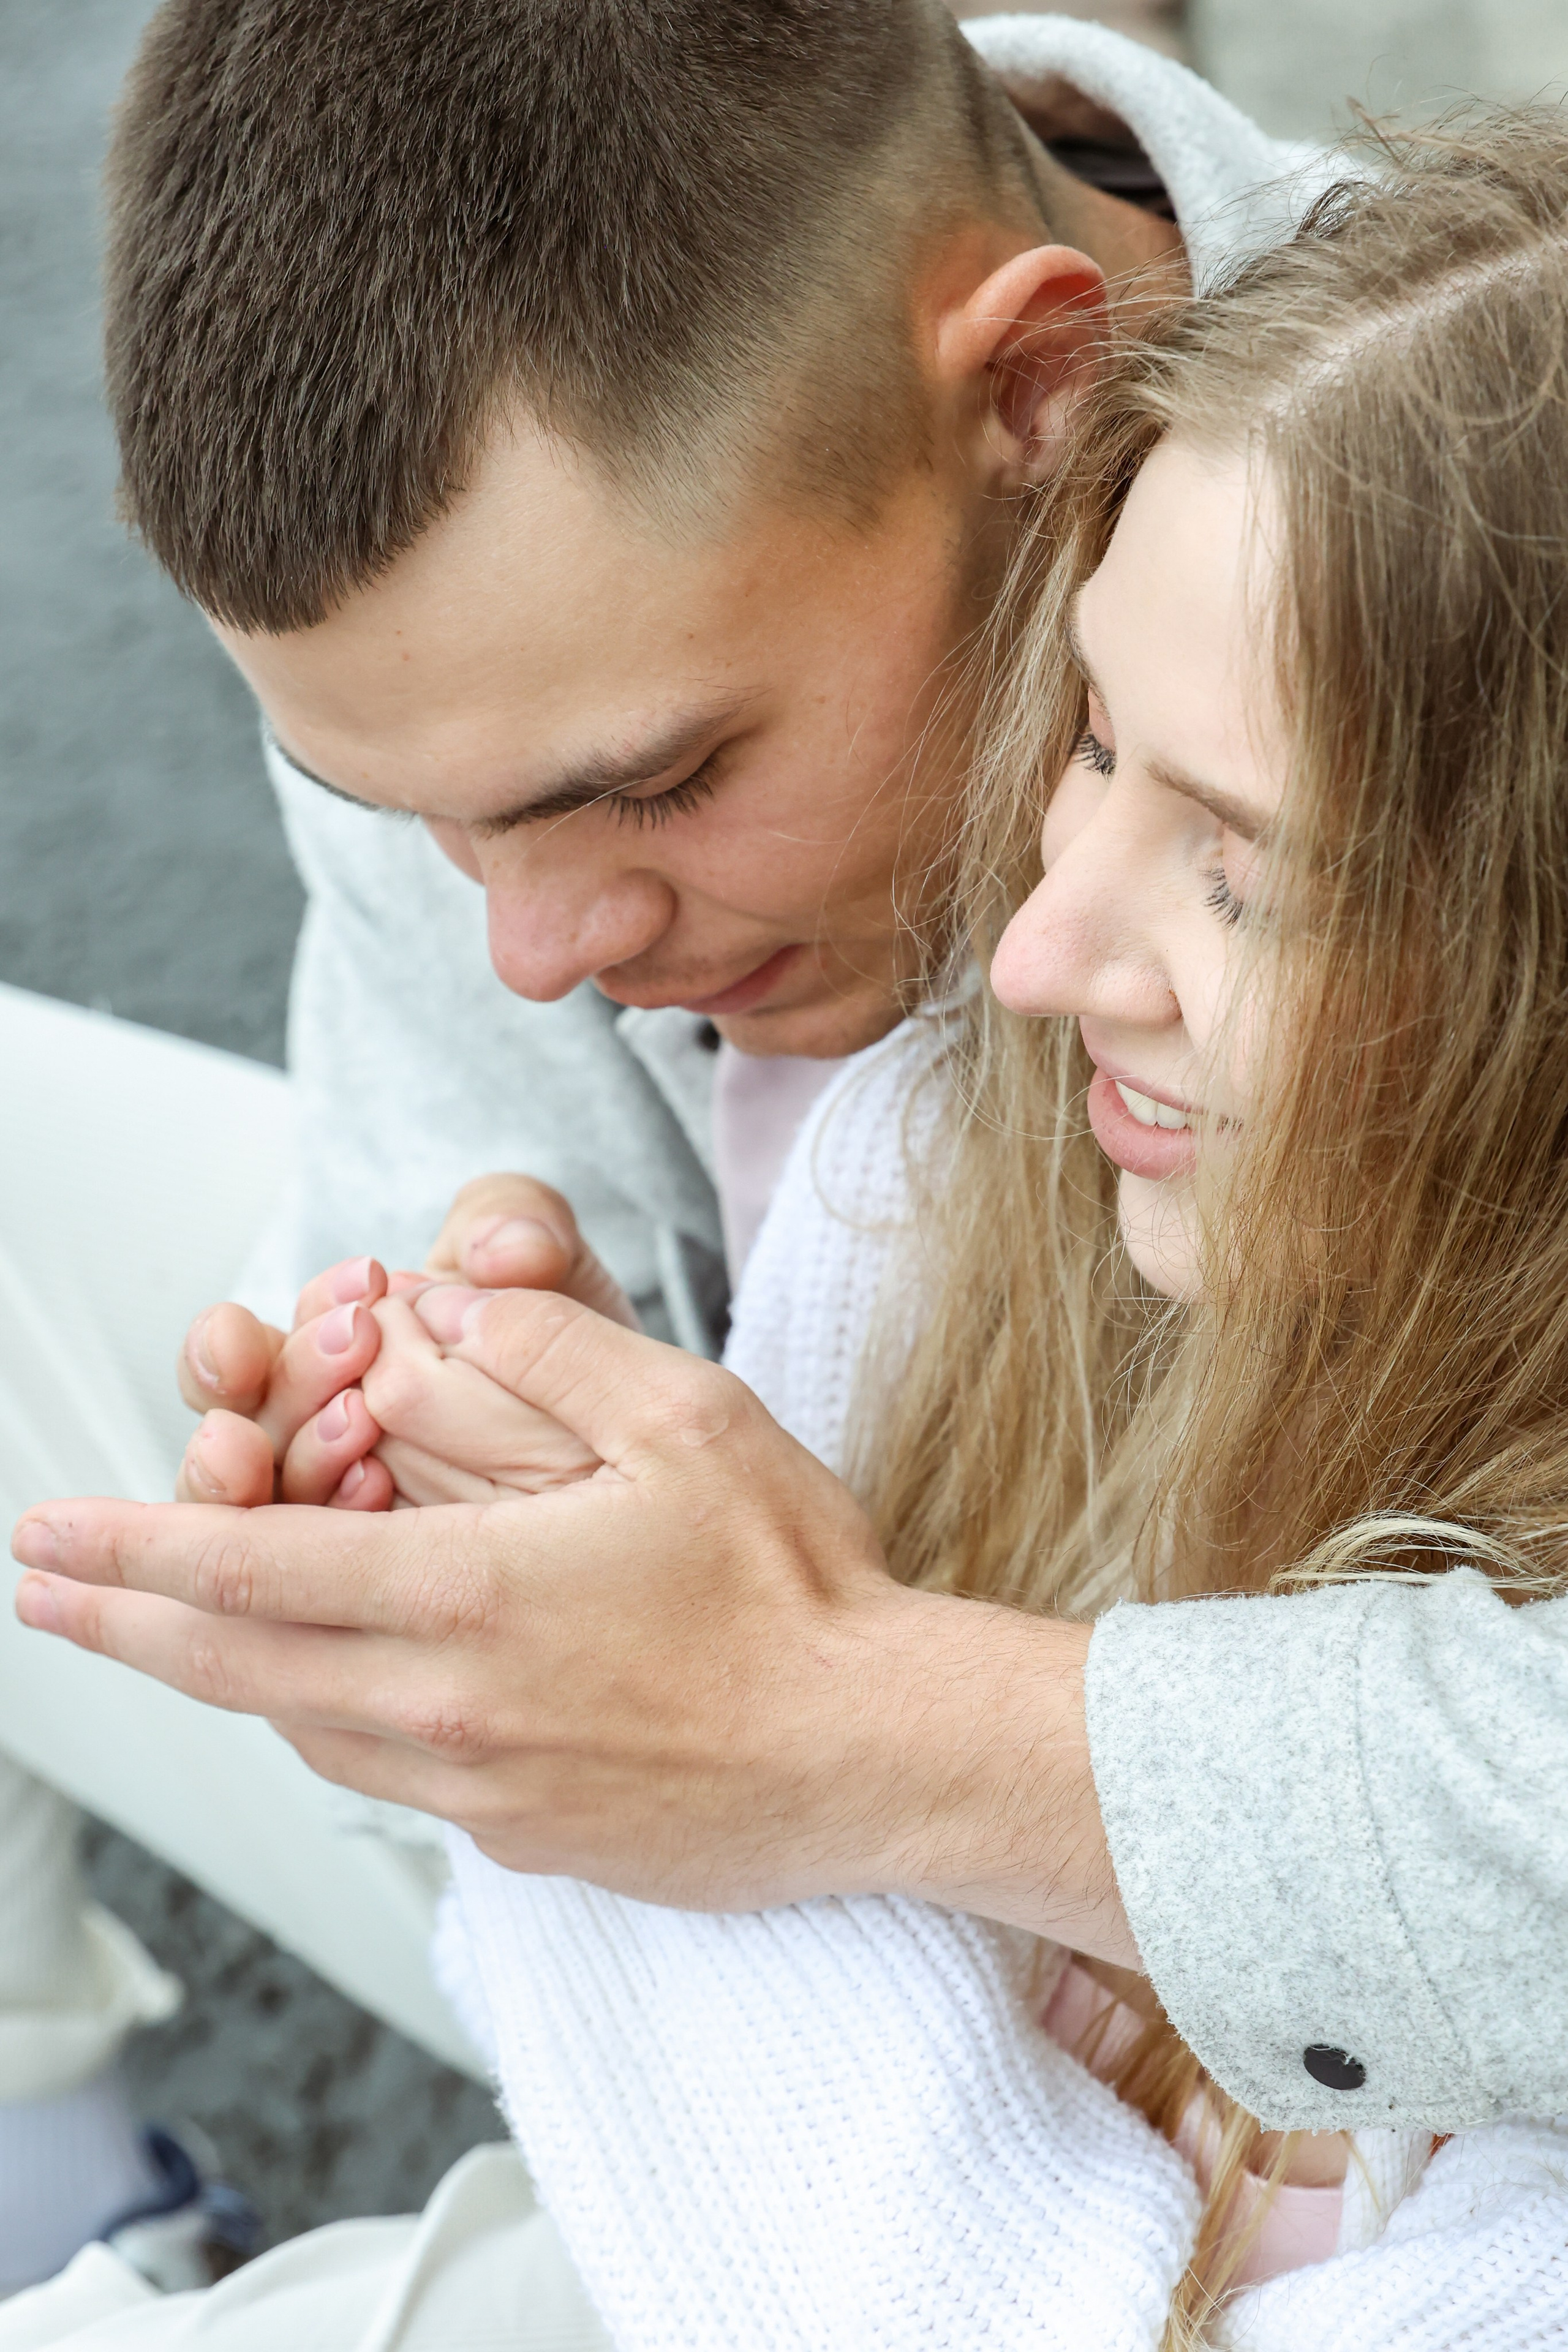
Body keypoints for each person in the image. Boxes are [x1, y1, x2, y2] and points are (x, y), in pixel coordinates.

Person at [17, 109, 1568, 2350]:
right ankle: (81, 2189)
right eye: (408, 812)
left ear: (1047, 403)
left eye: (649, 782)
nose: (528, 952)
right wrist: (489, 1489)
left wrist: (806, 1707)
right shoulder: (465, 606)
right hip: (822, 2019)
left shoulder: (1442, 500)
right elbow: (488, 1385)